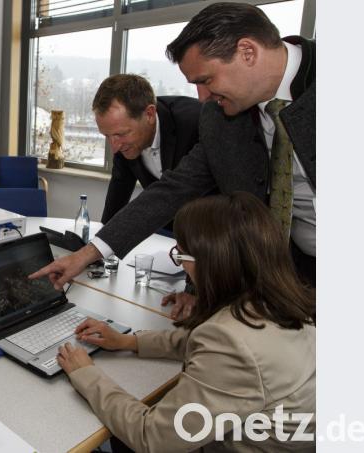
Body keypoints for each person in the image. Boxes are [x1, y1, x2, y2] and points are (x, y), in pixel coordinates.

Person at [30, 2, 316, 319]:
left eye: (206, 80)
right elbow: (172, 190)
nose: (202, 97)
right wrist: (87, 253)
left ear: (247, 52)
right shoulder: (219, 117)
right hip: (285, 275)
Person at [56, 192, 316, 452]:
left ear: (213, 264)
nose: (182, 267)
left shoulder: (231, 342)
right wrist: (129, 341)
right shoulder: (286, 303)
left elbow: (151, 437)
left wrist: (86, 374)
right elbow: (207, 340)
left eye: (181, 257)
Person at [92, 75, 202, 226]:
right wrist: (99, 246)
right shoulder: (121, 141)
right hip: (165, 228)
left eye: (121, 134)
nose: (114, 147)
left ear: (149, 114)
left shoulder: (196, 121)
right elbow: (118, 196)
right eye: (107, 136)